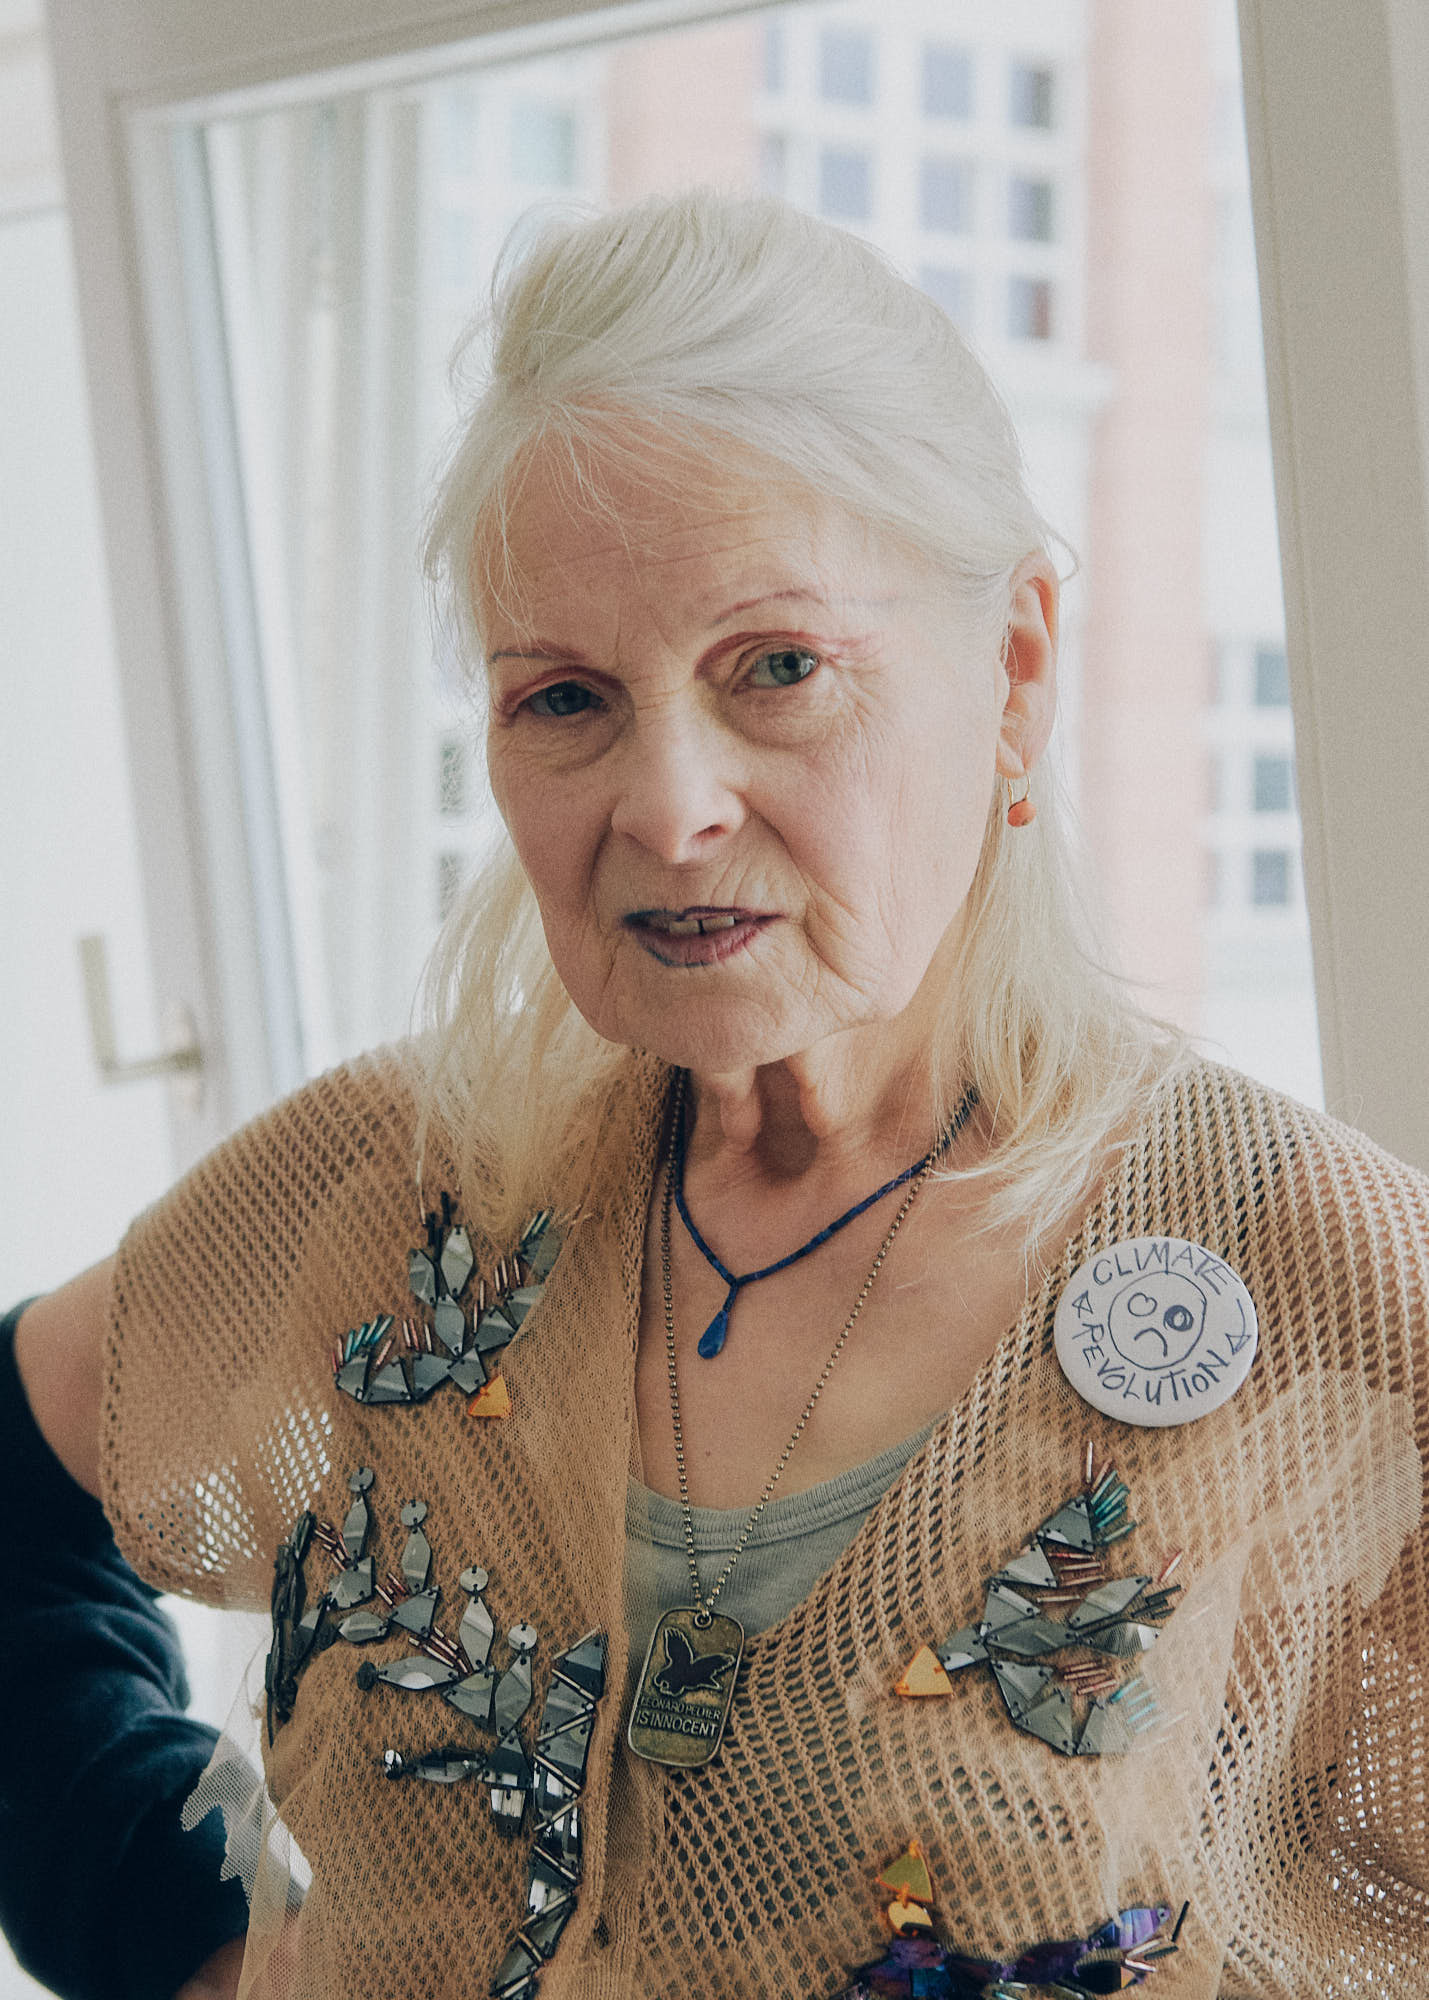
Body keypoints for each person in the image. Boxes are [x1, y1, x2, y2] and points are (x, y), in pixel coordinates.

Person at [9, 190, 1426, 2000]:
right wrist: (188, 1945)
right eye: (565, 698)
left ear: (1013, 671)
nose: (669, 808)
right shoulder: (396, 1195)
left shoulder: (1319, 1284)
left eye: (779, 669)